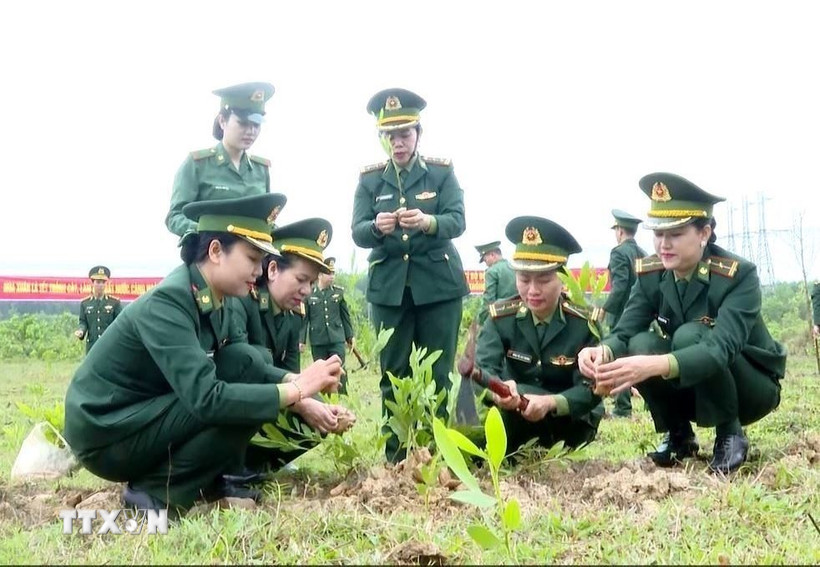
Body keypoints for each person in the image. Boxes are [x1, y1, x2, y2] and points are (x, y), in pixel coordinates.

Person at [63, 194, 343, 514]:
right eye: (252, 258)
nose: (259, 269)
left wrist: (296, 383)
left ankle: (204, 477)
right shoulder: (171, 300)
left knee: (247, 370)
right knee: (243, 405)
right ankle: (155, 491)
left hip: (143, 415)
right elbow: (207, 399)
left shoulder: (219, 297)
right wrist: (296, 390)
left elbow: (241, 361)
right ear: (215, 252)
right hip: (105, 432)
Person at [577, 173, 786, 474]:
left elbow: (720, 349)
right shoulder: (651, 273)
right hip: (698, 386)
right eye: (658, 234)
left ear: (705, 232)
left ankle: (730, 434)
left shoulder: (738, 276)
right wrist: (602, 351)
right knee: (640, 344)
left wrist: (653, 366)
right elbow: (625, 330)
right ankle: (679, 435)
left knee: (690, 336)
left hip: (750, 388)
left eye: (675, 234)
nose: (664, 244)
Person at [351, 87, 469, 462]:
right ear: (382, 139)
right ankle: (397, 454)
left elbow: (458, 220)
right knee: (394, 374)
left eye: (404, 133)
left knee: (437, 373)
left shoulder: (440, 172)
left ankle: (434, 451)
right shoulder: (370, 180)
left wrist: (429, 221)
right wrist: (376, 227)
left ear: (418, 133)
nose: (398, 143)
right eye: (390, 135)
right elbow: (356, 230)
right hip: (389, 290)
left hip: (438, 287)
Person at [232, 219, 355, 474]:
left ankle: (265, 463)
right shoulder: (243, 303)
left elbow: (294, 374)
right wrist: (300, 401)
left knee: (321, 409)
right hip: (241, 402)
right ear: (273, 269)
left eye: (311, 283)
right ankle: (235, 466)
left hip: (271, 400)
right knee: (306, 404)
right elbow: (240, 373)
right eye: (301, 279)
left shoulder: (294, 316)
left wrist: (323, 407)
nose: (307, 291)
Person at [475, 217, 604, 455]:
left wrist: (550, 403)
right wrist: (499, 390)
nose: (532, 290)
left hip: (571, 424)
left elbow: (592, 389)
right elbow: (483, 369)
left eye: (544, 280)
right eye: (524, 280)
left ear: (564, 279)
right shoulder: (501, 317)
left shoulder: (584, 322)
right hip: (517, 414)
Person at [166, 82, 277, 237]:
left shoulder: (261, 170)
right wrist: (208, 232)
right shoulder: (197, 164)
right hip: (209, 255)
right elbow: (175, 217)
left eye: (256, 125)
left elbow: (267, 221)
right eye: (243, 123)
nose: (251, 131)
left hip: (251, 258)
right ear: (222, 121)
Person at [601, 209, 647, 418]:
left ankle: (622, 408)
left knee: (619, 358)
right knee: (643, 357)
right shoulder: (643, 253)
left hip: (622, 315)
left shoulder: (618, 253)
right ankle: (651, 406)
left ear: (619, 231)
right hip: (642, 313)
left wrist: (604, 308)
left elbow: (619, 288)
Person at [301, 256, 356, 393]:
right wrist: (301, 340)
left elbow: (345, 317)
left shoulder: (338, 293)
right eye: (328, 273)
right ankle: (324, 400)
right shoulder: (310, 295)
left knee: (339, 369)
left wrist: (350, 336)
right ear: (320, 274)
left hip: (336, 337)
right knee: (321, 372)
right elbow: (304, 320)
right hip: (318, 339)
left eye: (333, 273)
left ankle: (343, 397)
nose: (332, 277)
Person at [74, 266, 123, 354]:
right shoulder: (85, 303)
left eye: (103, 282)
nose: (101, 285)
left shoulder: (114, 303)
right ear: (92, 283)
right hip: (92, 345)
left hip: (109, 345)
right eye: (98, 282)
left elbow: (120, 323)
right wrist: (81, 331)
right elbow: (83, 322)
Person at [475, 241, 517, 325]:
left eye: (485, 259)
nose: (485, 263)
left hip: (501, 318)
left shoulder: (492, 271)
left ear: (492, 255)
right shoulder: (514, 267)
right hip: (518, 315)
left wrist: (481, 320)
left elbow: (489, 300)